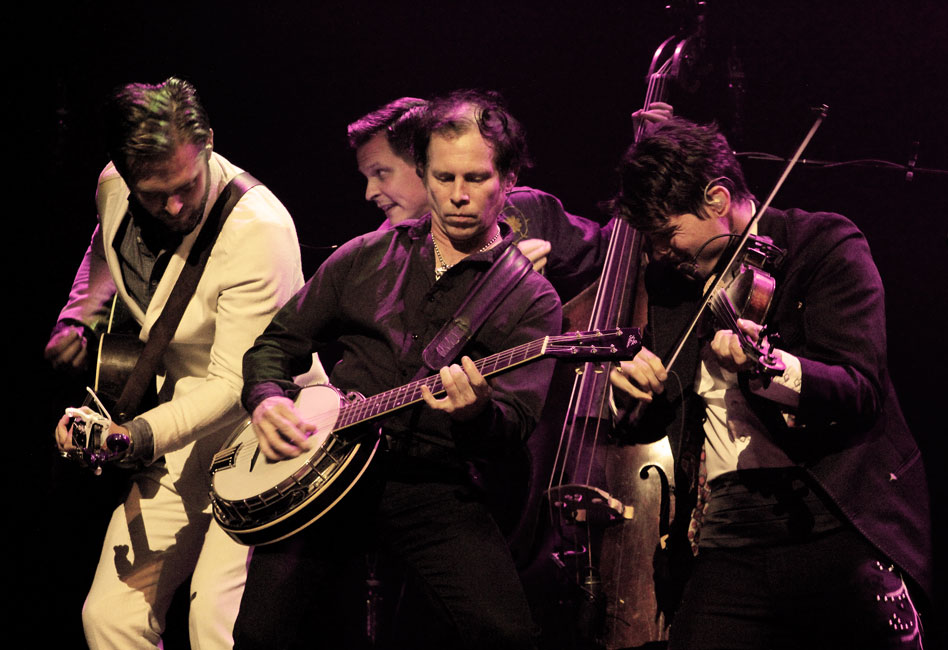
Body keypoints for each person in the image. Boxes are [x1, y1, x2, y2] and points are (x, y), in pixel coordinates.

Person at [232, 92, 563, 649]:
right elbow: (275, 346)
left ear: (508, 180)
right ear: (424, 174)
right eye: (443, 177)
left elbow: (514, 425)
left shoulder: (532, 300)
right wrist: (266, 398)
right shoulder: (364, 256)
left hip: (432, 484)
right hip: (326, 471)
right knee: (260, 634)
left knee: (505, 634)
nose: (457, 196)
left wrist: (476, 412)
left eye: (476, 178)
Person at [608, 117, 931, 649]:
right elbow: (666, 409)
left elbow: (859, 387)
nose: (661, 252)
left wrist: (766, 367)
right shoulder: (669, 281)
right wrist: (634, 397)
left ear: (717, 198)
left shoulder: (823, 245)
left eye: (668, 234)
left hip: (833, 513)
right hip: (728, 535)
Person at [46, 77, 324, 649]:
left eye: (186, 185)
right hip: (181, 434)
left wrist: (129, 438)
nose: (175, 206)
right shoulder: (113, 187)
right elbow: (104, 244)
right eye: (154, 194)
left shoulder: (258, 229)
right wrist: (82, 313)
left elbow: (235, 380)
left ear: (209, 143)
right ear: (123, 175)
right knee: (113, 615)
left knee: (217, 628)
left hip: (264, 438)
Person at [347, 92, 673, 301]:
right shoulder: (379, 256)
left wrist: (651, 164)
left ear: (422, 162)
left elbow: (616, 252)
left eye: (381, 173)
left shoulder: (523, 209)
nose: (370, 193)